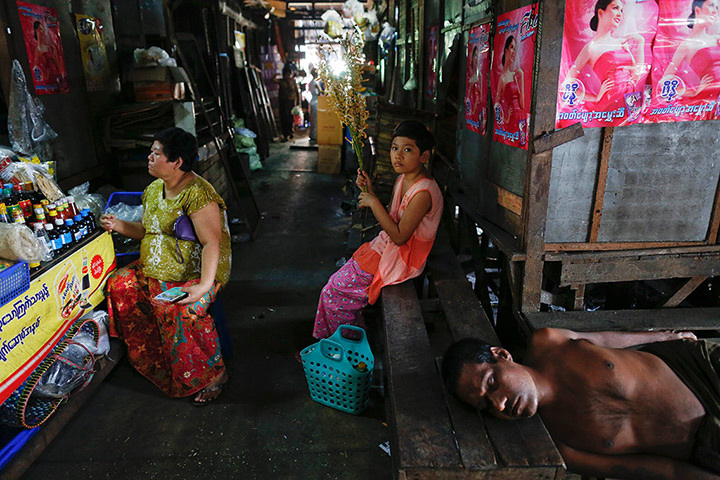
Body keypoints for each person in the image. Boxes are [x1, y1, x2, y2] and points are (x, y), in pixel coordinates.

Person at [441, 328, 720, 479]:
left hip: (699, 367)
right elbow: (660, 470)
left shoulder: (548, 341)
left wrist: (660, 336)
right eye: (486, 406)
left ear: (501, 355)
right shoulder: (564, 447)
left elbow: (603, 339)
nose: (499, 405)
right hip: (709, 444)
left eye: (491, 383)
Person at [101, 127, 231, 406]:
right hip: (156, 268)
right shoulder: (152, 191)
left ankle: (214, 374)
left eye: (156, 153)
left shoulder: (198, 194)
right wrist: (119, 225)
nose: (149, 157)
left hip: (197, 273)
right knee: (120, 285)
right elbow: (148, 231)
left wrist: (203, 286)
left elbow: (212, 243)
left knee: (181, 310)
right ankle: (155, 357)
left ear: (177, 162)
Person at [312, 121, 443, 340]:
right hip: (387, 247)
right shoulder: (404, 179)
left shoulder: (423, 193)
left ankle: (345, 347)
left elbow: (400, 237)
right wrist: (370, 190)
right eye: (394, 148)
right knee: (332, 289)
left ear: (425, 157)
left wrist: (374, 203)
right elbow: (393, 220)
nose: (398, 156)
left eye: (407, 150)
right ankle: (345, 340)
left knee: (333, 293)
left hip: (402, 257)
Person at [562, 0, 645, 114]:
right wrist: (595, 97)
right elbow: (567, 83)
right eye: (615, 8)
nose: (620, 14)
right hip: (611, 104)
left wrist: (641, 43)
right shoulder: (591, 48)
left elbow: (636, 75)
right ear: (601, 12)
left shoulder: (622, 43)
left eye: (622, 10)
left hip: (631, 101)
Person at [660, 0, 720, 120]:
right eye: (711, 5)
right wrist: (693, 92)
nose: (715, 11)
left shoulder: (717, 38)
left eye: (717, 7)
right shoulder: (686, 46)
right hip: (711, 98)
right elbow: (664, 82)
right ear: (697, 10)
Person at [494, 36, 526, 133]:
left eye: (515, 49)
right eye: (512, 47)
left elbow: (522, 105)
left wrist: (522, 76)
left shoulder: (515, 75)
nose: (513, 52)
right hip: (511, 120)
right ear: (506, 50)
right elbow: (496, 104)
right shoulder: (502, 79)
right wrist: (505, 118)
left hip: (521, 117)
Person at [274, 66, 300, 142]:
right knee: (283, 118)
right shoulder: (282, 81)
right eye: (286, 75)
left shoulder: (293, 81)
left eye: (289, 75)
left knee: (290, 118)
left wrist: (298, 103)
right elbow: (273, 79)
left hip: (291, 102)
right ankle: (285, 135)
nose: (288, 76)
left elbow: (297, 92)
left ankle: (290, 132)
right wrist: (276, 74)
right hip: (283, 102)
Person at [308, 67, 322, 143]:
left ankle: (312, 135)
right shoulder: (316, 82)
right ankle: (315, 136)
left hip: (312, 101)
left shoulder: (311, 82)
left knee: (313, 119)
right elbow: (320, 91)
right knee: (316, 120)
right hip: (316, 101)